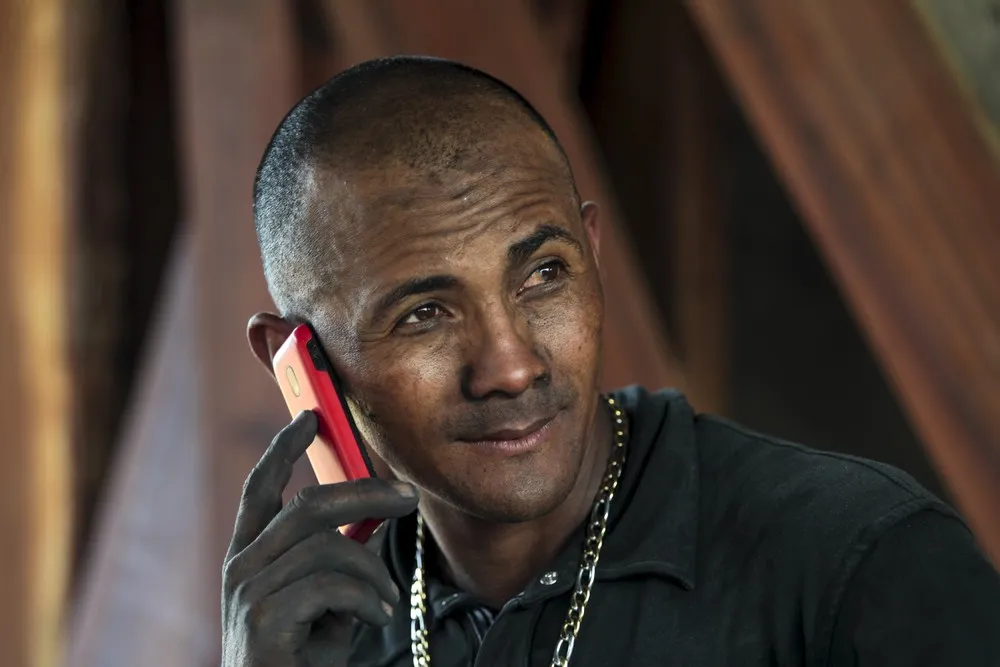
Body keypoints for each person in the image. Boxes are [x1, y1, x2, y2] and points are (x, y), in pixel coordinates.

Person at [221, 55, 1000, 667]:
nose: (512, 365)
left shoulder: (857, 561)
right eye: (424, 314)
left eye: (544, 274)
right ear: (297, 358)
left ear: (593, 258)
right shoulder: (311, 632)